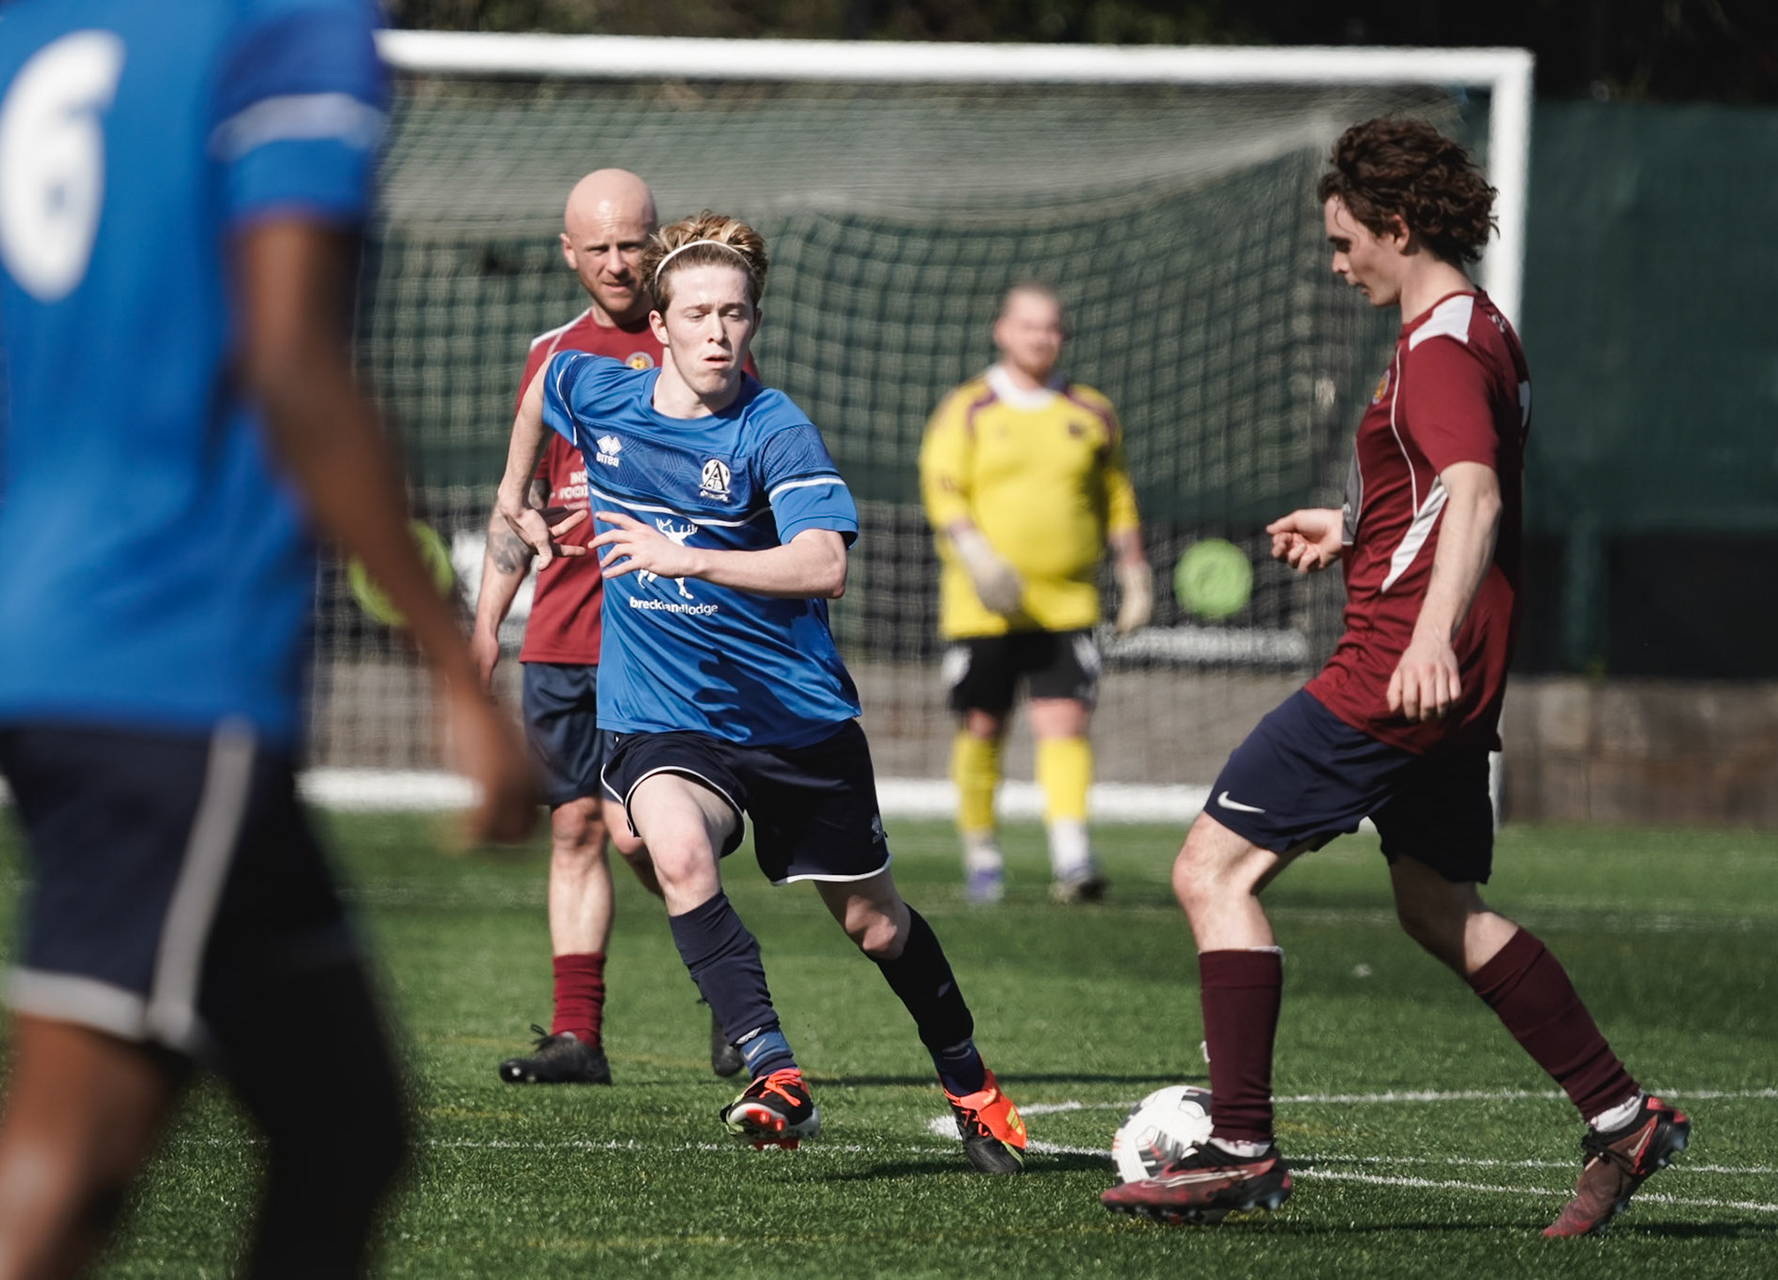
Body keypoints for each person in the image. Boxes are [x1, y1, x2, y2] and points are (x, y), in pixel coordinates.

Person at [0, 3, 537, 1275]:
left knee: (343, 1129)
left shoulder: (26, 35)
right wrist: (457, 671)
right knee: (65, 1156)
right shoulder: (286, 25)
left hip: (42, 646)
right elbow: (292, 362)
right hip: (167, 667)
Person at [1099, 118, 1687, 1234]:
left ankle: (1240, 1146)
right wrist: (1352, 522)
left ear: (1399, 226)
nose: (1337, 263)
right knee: (1437, 905)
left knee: (1210, 871)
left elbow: (1477, 492)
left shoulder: (1441, 346)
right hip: (1440, 676)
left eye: (1344, 241)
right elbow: (1439, 482)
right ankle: (1623, 1118)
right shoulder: (1476, 327)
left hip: (1396, 669)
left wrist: (1426, 635)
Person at [498, 211, 1029, 1172]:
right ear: (657, 325)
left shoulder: (773, 429)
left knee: (876, 926)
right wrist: (514, 495)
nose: (717, 333)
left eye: (735, 314)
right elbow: (544, 388)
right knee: (672, 849)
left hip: (794, 719)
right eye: (698, 314)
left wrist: (689, 558)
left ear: (754, 322)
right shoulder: (596, 387)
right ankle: (774, 1070)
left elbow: (824, 564)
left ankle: (971, 1084)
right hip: (667, 717)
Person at [472, 169, 743, 1084]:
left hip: (659, 641)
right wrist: (485, 628)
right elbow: (519, 505)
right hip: (559, 637)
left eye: (634, 244)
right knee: (576, 830)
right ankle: (576, 1036)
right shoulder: (552, 356)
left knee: (641, 834)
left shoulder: (699, 339)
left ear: (658, 240)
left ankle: (728, 985)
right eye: (600, 248)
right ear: (569, 253)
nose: (620, 263)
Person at [919, 282, 1152, 905]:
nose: (1041, 338)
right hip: (983, 607)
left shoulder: (1092, 412)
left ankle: (1073, 858)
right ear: (1002, 331)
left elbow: (1117, 496)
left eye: (1051, 327)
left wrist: (1133, 573)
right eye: (1028, 326)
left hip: (1067, 602)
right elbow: (942, 488)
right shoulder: (967, 408)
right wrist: (976, 554)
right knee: (982, 726)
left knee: (1065, 723)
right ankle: (982, 855)